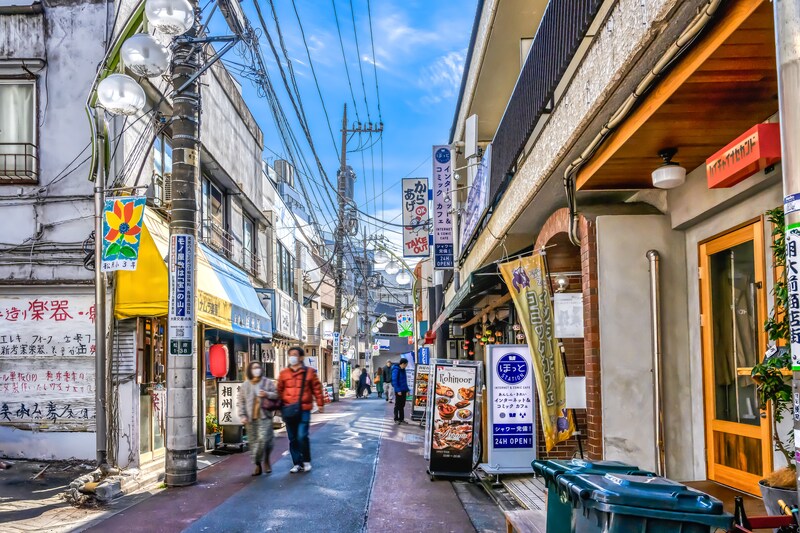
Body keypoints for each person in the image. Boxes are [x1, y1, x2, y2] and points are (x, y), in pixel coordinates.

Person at [278, 346, 325, 473]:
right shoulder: (284, 373)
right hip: (288, 409)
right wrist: (278, 406)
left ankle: (306, 460)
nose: (292, 357)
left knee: (302, 435)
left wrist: (320, 403)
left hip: (304, 408)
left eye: (295, 354)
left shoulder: (309, 372)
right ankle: (297, 463)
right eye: (290, 354)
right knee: (292, 438)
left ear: (301, 357)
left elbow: (317, 388)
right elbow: (279, 390)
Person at [238, 361, 278, 476]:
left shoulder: (267, 382)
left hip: (265, 416)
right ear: (249, 370)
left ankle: (266, 459)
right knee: (253, 443)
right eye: (254, 368)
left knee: (265, 440)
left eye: (258, 367)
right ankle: (257, 464)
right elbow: (241, 402)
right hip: (251, 418)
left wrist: (266, 394)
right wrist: (242, 415)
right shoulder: (245, 385)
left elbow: (276, 395)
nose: (256, 370)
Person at [391, 358, 410, 424]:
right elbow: (394, 381)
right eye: (406, 365)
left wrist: (407, 390)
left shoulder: (403, 369)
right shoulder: (396, 370)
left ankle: (401, 419)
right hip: (399, 391)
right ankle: (396, 419)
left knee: (402, 405)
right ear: (402, 364)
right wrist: (398, 390)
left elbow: (404, 381)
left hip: (403, 390)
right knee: (398, 405)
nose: (406, 366)